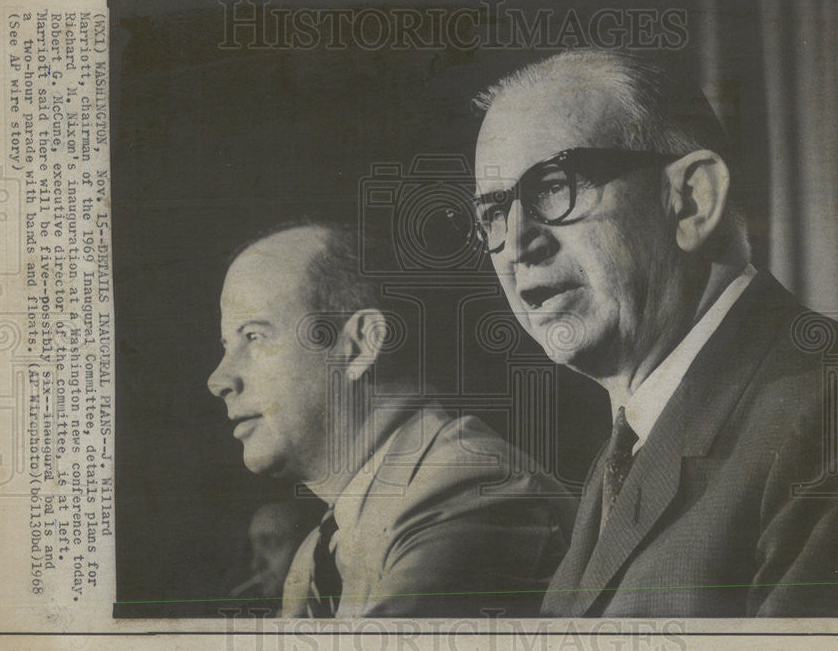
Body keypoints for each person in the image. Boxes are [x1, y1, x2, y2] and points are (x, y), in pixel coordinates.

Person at [469, 50, 838, 617]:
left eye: (554, 188)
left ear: (692, 201)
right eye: (492, 214)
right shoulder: (624, 451)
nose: (518, 244)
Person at [207, 217, 575, 618]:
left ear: (361, 343)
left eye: (254, 337)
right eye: (227, 346)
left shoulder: (470, 492)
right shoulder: (319, 551)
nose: (219, 379)